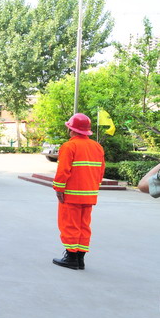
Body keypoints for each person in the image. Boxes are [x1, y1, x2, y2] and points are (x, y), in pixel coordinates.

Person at [51, 113, 105, 270]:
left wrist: (59, 189)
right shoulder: (97, 147)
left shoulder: (69, 146)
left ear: (72, 130)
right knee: (84, 226)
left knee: (70, 225)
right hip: (89, 194)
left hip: (72, 194)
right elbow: (101, 171)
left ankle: (71, 258)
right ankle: (80, 259)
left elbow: (63, 170)